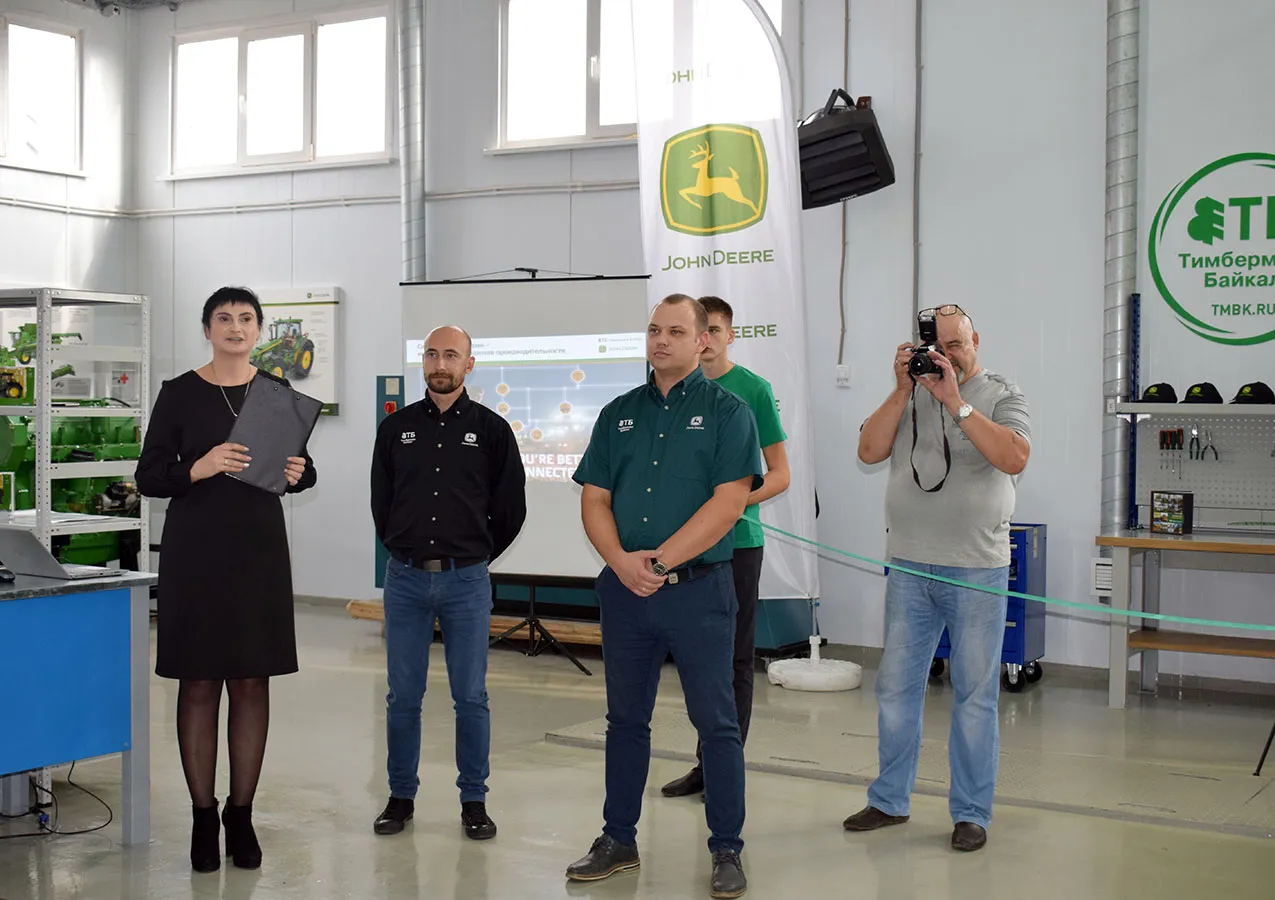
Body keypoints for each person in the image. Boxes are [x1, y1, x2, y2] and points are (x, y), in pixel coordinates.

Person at [566, 294, 763, 899]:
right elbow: (595, 498)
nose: (661, 340)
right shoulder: (618, 412)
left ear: (702, 340)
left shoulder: (729, 412)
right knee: (626, 721)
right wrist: (620, 562)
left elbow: (728, 504)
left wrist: (657, 562)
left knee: (717, 724)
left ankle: (726, 848)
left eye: (675, 331)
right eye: (654, 329)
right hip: (627, 593)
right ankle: (618, 840)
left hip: (699, 592)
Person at [136, 286, 317, 873]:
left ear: (259, 330)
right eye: (223, 318)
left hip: (257, 553)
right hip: (195, 553)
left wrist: (300, 471)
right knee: (197, 684)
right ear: (207, 329)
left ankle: (241, 816)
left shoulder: (278, 392)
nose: (235, 327)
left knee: (250, 681)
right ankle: (201, 815)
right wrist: (201, 466)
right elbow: (149, 477)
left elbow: (299, 469)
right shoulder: (179, 393)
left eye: (245, 318)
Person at [846, 304, 1030, 852]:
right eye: (937, 347)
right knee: (896, 689)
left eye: (956, 345)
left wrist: (955, 401)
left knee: (974, 696)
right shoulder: (910, 393)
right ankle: (889, 800)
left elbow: (1015, 457)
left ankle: (971, 813)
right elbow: (868, 450)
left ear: (976, 341)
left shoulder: (1001, 393)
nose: (946, 356)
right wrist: (902, 389)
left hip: (976, 569)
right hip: (908, 564)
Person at [369, 325, 526, 841]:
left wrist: (474, 556)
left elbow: (510, 508)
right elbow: (381, 502)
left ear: (468, 364)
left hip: (467, 584)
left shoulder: (492, 431)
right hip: (406, 581)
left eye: (451, 355)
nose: (440, 363)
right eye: (432, 354)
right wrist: (404, 547)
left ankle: (474, 800)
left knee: (471, 697)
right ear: (423, 361)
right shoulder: (396, 429)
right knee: (403, 697)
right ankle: (400, 797)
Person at [661, 295, 790, 801]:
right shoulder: (672, 389)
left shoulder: (753, 391)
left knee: (734, 660)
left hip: (736, 545)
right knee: (697, 660)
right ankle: (704, 762)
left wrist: (730, 504)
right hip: (682, 546)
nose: (707, 339)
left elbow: (780, 474)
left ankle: (722, 769)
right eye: (701, 330)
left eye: (715, 330)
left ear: (728, 336)